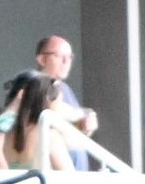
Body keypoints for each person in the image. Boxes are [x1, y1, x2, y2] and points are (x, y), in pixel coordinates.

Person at [0, 70, 76, 172]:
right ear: (49, 102)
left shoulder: (8, 134)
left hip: (13, 182)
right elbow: (69, 175)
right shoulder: (49, 136)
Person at [33, 35, 99, 167]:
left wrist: (85, 125)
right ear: (42, 59)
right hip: (53, 173)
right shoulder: (33, 89)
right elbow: (44, 128)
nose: (66, 61)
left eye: (69, 57)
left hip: (74, 171)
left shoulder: (65, 89)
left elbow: (68, 129)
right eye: (59, 55)